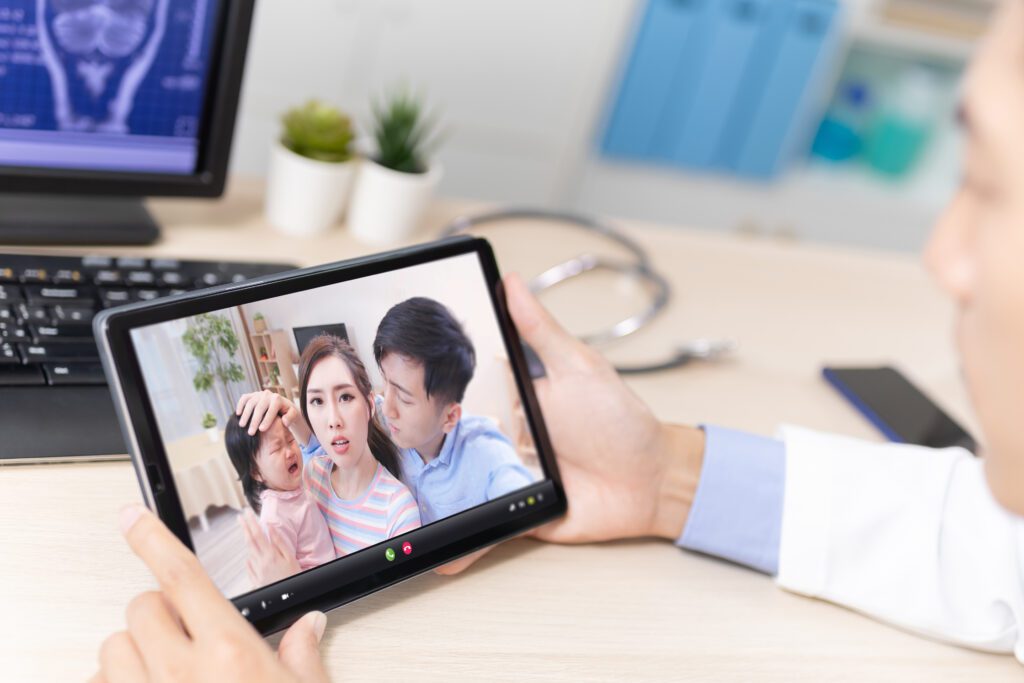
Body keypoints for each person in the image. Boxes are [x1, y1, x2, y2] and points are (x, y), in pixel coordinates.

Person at [89, 2, 1024, 678]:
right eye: (339, 395)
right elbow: (987, 549)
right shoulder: (329, 473)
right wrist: (663, 476)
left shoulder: (430, 480)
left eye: (982, 183)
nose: (940, 255)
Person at [373, 297, 535, 524]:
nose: (388, 408)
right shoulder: (380, 420)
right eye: (385, 382)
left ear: (449, 417)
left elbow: (528, 507)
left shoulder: (485, 454)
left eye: (403, 398)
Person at [223, 414, 335, 584]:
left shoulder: (292, 485)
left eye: (290, 440)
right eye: (276, 449)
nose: (290, 452)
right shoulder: (275, 519)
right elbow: (282, 579)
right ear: (256, 472)